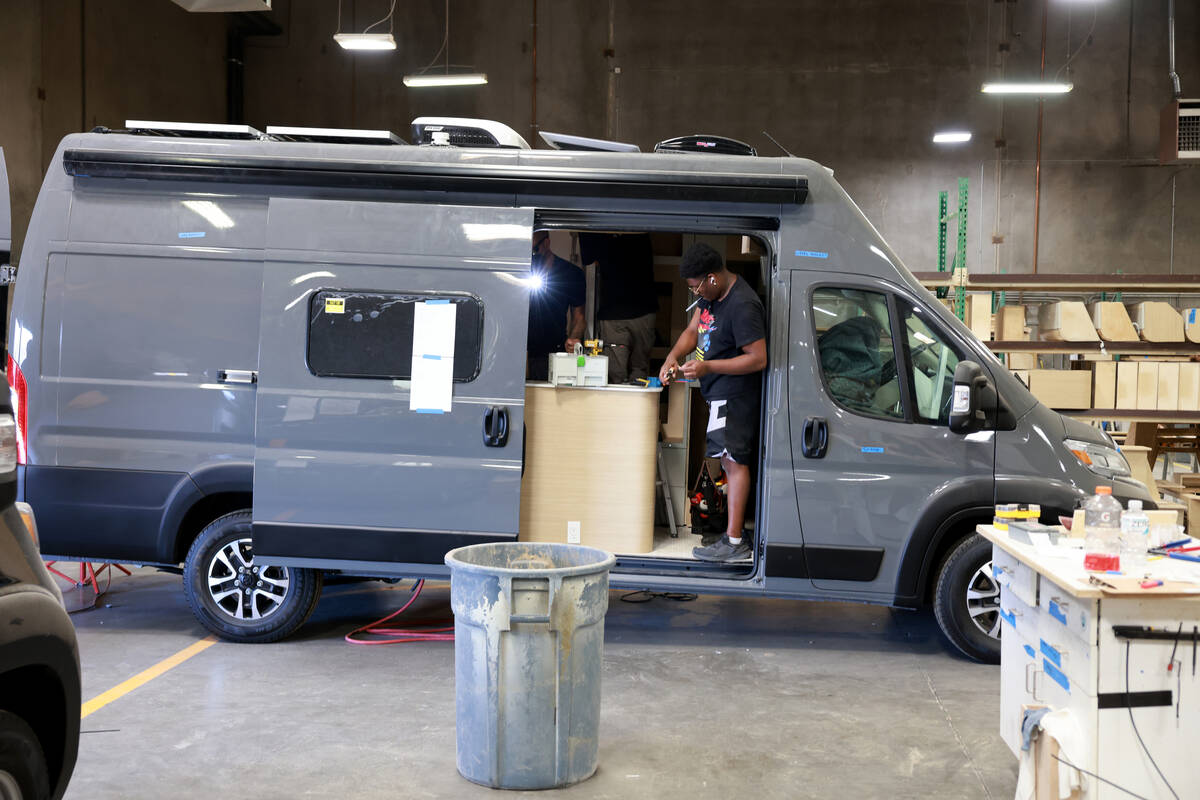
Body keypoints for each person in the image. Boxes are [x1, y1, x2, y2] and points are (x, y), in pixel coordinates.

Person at [659, 242, 767, 562]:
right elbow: (694, 330)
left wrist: (707, 367)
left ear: (712, 278)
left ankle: (734, 543)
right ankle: (732, 536)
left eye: (695, 287)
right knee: (727, 461)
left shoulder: (743, 305)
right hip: (718, 394)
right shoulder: (710, 300)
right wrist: (672, 357)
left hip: (735, 396)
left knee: (734, 462)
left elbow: (758, 359)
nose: (694, 294)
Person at [579, 232, 659, 383]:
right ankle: (633, 403)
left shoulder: (596, 222)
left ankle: (623, 403)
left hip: (617, 309)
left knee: (616, 375)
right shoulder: (638, 216)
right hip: (637, 307)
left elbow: (589, 258)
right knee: (637, 372)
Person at [527, 231, 585, 381]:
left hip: (552, 352)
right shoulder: (519, 271)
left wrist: (573, 339)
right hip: (519, 351)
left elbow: (579, 317)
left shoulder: (571, 274)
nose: (532, 256)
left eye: (534, 250)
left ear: (546, 243)